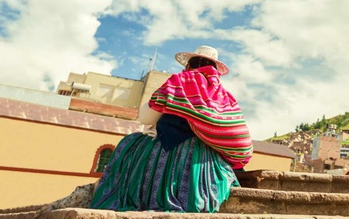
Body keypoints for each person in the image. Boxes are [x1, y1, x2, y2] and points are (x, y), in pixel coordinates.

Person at [90, 45, 253, 212]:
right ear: (215, 70)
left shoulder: (178, 82)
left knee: (130, 142)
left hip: (166, 146)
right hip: (204, 158)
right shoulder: (223, 96)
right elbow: (235, 136)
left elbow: (146, 118)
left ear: (188, 65)